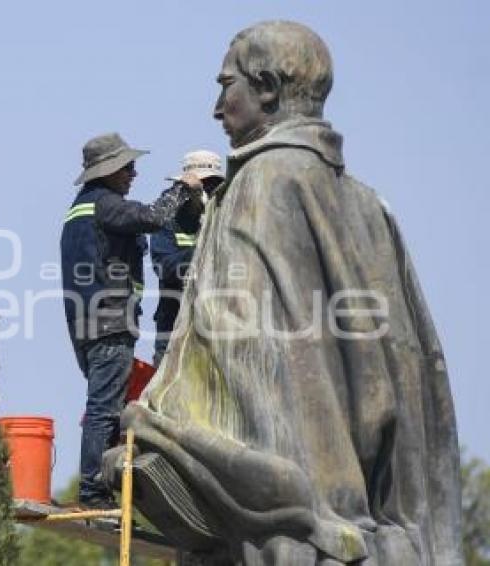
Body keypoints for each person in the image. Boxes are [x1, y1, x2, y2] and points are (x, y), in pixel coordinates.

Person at [115, 22, 461, 564]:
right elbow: (412, 374)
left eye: (225, 84)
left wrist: (151, 415)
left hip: (290, 532)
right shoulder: (369, 205)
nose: (216, 106)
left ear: (268, 88)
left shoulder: (257, 185)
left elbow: (238, 362)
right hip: (374, 526)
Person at [60, 132, 202, 508]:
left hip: (84, 324)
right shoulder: (105, 205)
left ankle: (100, 489)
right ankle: (94, 493)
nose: (133, 173)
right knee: (105, 409)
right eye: (126, 167)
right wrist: (183, 190)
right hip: (109, 322)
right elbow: (153, 218)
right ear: (106, 171)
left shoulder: (79, 209)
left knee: (104, 405)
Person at [149, 150, 224, 367]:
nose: (205, 191)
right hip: (174, 327)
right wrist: (204, 248)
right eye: (201, 185)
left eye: (212, 185)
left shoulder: (228, 212)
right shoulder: (167, 214)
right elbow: (165, 266)